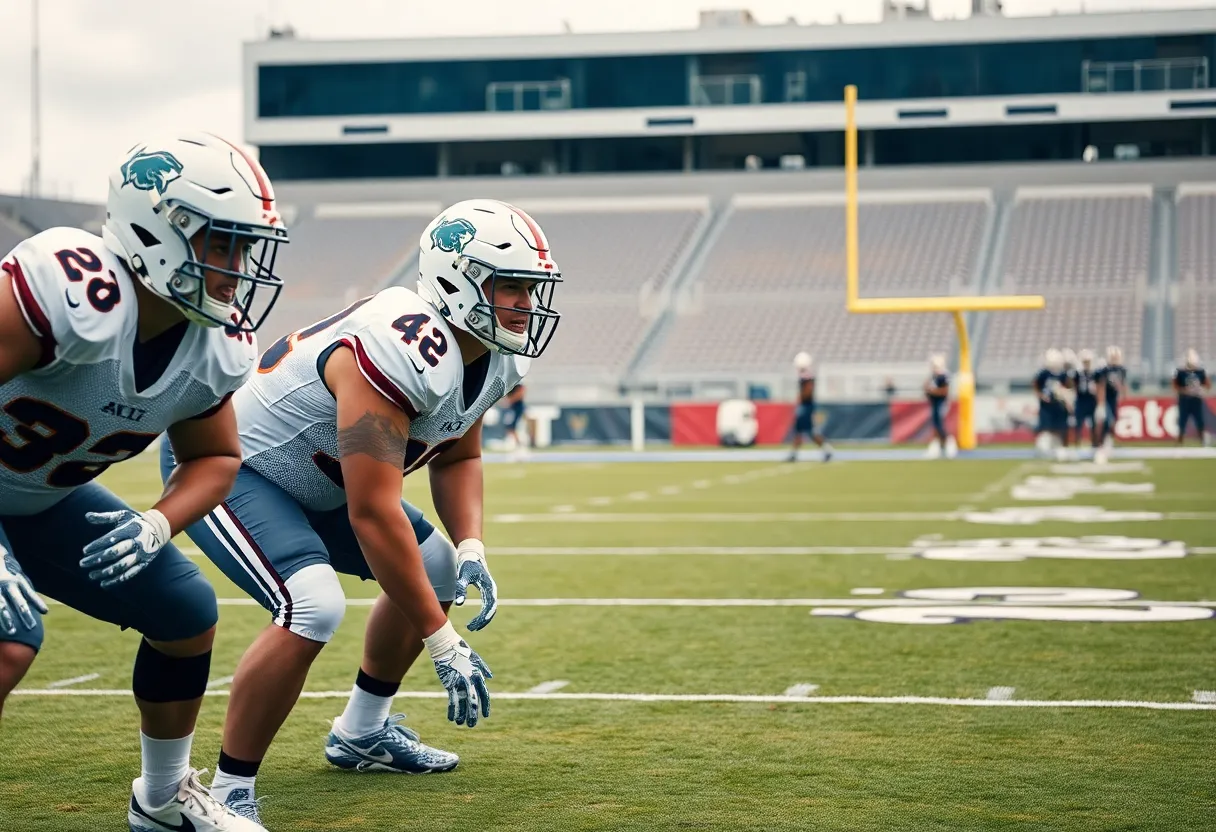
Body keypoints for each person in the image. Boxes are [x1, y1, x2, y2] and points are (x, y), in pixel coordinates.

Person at [160, 200, 561, 824]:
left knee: (440, 567)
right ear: (459, 279)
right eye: (512, 286)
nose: (526, 305)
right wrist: (440, 637)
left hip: (324, 483)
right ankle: (231, 786)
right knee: (314, 604)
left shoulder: (496, 351)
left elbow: (457, 458)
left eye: (532, 289)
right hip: (237, 468)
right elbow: (373, 512)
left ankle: (361, 731)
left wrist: (471, 544)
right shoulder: (401, 347)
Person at [0, 133, 288, 832]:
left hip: (40, 498)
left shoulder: (213, 344)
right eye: (224, 244)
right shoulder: (69, 290)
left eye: (247, 249)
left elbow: (214, 459)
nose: (238, 269)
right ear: (159, 229)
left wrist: (159, 520)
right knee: (9, 637)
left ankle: (162, 800)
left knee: (183, 612)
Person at [788, 352, 832, 462]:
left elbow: (808, 393)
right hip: (805, 406)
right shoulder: (806, 377)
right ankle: (794, 454)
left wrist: (800, 399)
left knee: (809, 432)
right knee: (802, 431)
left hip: (806, 406)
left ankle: (826, 450)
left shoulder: (807, 378)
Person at [1033, 348, 1068, 459]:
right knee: (1046, 427)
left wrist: (1064, 394)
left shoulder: (1063, 374)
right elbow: (1036, 385)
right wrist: (1041, 396)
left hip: (1058, 404)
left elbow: (1067, 386)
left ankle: (1058, 448)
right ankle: (1044, 448)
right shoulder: (1044, 374)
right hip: (1046, 405)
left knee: (1058, 428)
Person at [1094, 345, 1127, 463]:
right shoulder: (1103, 370)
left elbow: (1122, 384)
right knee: (1105, 421)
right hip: (1105, 399)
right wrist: (1101, 403)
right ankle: (1100, 446)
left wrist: (1123, 395)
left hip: (1113, 399)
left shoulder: (1121, 370)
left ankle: (1107, 442)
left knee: (1113, 422)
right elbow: (1100, 386)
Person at [1174, 348, 1211, 446]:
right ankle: (1180, 440)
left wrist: (1202, 389)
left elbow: (1207, 384)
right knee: (1183, 419)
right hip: (1184, 399)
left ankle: (1202, 439)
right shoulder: (1181, 372)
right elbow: (1175, 385)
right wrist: (1183, 390)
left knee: (1199, 420)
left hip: (1196, 399)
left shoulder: (1200, 372)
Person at [923, 354, 956, 459]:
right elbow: (928, 388)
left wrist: (931, 390)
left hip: (941, 403)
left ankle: (948, 444)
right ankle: (940, 446)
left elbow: (943, 391)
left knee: (940, 425)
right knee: (936, 425)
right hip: (935, 403)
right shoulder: (934, 376)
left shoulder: (943, 376)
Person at [1073, 349, 1102, 452]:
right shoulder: (1077, 373)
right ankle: (1077, 446)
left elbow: (1100, 387)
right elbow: (1074, 386)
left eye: (1088, 361)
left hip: (1092, 401)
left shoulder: (1096, 373)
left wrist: (1100, 403)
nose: (1086, 363)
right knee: (1078, 425)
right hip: (1081, 401)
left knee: (1094, 425)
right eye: (1084, 361)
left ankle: (1095, 446)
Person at [501, 383, 529, 460]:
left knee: (513, 428)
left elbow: (521, 393)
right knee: (510, 428)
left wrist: (510, 400)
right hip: (512, 408)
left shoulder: (518, 385)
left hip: (516, 408)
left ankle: (519, 447)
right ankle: (517, 446)